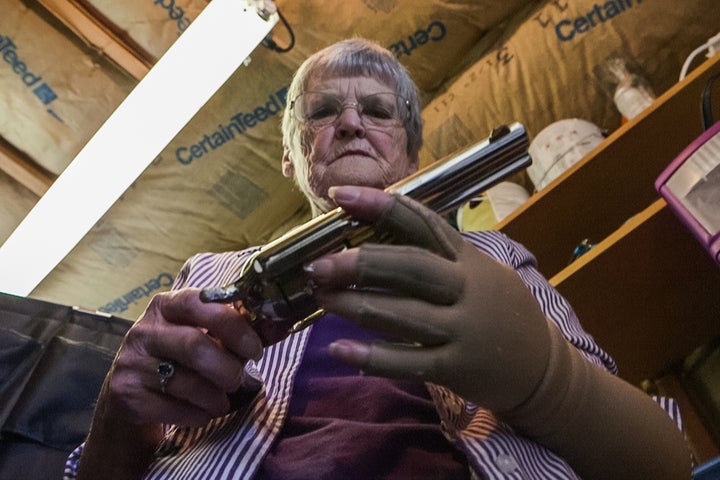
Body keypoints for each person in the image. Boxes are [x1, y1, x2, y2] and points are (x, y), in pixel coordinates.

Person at [65, 38, 692, 479]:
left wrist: (550, 379)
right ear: (291, 159)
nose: (350, 122)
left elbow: (663, 464)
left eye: (377, 110)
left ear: (413, 156)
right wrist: (120, 425)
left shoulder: (494, 257)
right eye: (322, 111)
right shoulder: (208, 277)